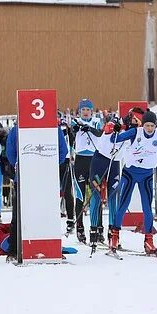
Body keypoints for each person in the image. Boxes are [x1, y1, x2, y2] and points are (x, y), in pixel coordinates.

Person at [108, 110, 157, 255]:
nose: (149, 129)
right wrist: (116, 130)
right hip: (130, 173)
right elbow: (114, 140)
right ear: (143, 125)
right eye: (147, 125)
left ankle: (149, 240)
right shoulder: (135, 132)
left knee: (147, 209)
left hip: (147, 175)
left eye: (152, 126)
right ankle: (115, 236)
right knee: (123, 204)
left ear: (156, 125)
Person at [5, 123, 68, 261]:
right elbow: (62, 152)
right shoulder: (19, 129)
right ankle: (14, 250)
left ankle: (14, 251)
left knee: (23, 214)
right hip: (39, 178)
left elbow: (10, 153)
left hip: (33, 177)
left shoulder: (19, 128)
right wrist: (48, 165)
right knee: (33, 214)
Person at [88, 118, 128, 250]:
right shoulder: (113, 124)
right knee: (96, 194)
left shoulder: (134, 131)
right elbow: (106, 130)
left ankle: (113, 234)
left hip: (115, 162)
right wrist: (115, 128)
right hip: (100, 161)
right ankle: (93, 232)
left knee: (113, 196)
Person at [70, 98, 103, 243]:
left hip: (94, 161)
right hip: (81, 161)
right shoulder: (75, 121)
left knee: (96, 195)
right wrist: (76, 129)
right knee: (80, 196)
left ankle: (98, 228)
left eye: (88, 110)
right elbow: (71, 132)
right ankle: (80, 228)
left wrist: (88, 128)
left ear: (91, 111)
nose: (85, 112)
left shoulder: (96, 121)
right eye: (83, 109)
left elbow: (100, 133)